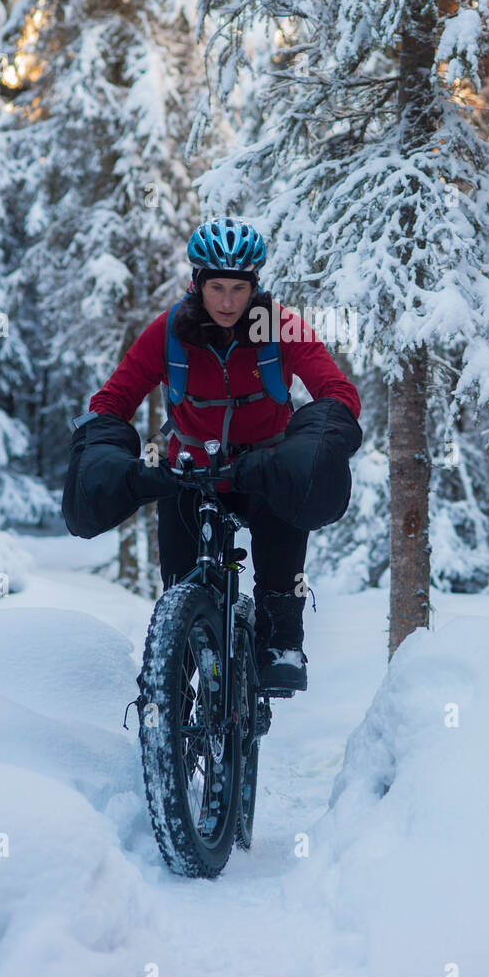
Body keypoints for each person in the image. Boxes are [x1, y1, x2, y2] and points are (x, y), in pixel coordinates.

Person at [85, 217, 362, 692]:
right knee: (180, 587)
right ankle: (175, 681)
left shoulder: (281, 330)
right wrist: (107, 449)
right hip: (189, 475)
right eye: (217, 287)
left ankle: (281, 642)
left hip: (263, 472)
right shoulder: (169, 332)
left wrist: (312, 440)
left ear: (254, 287)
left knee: (280, 550)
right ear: (198, 284)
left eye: (239, 288)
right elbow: (112, 399)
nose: (228, 302)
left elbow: (337, 391)